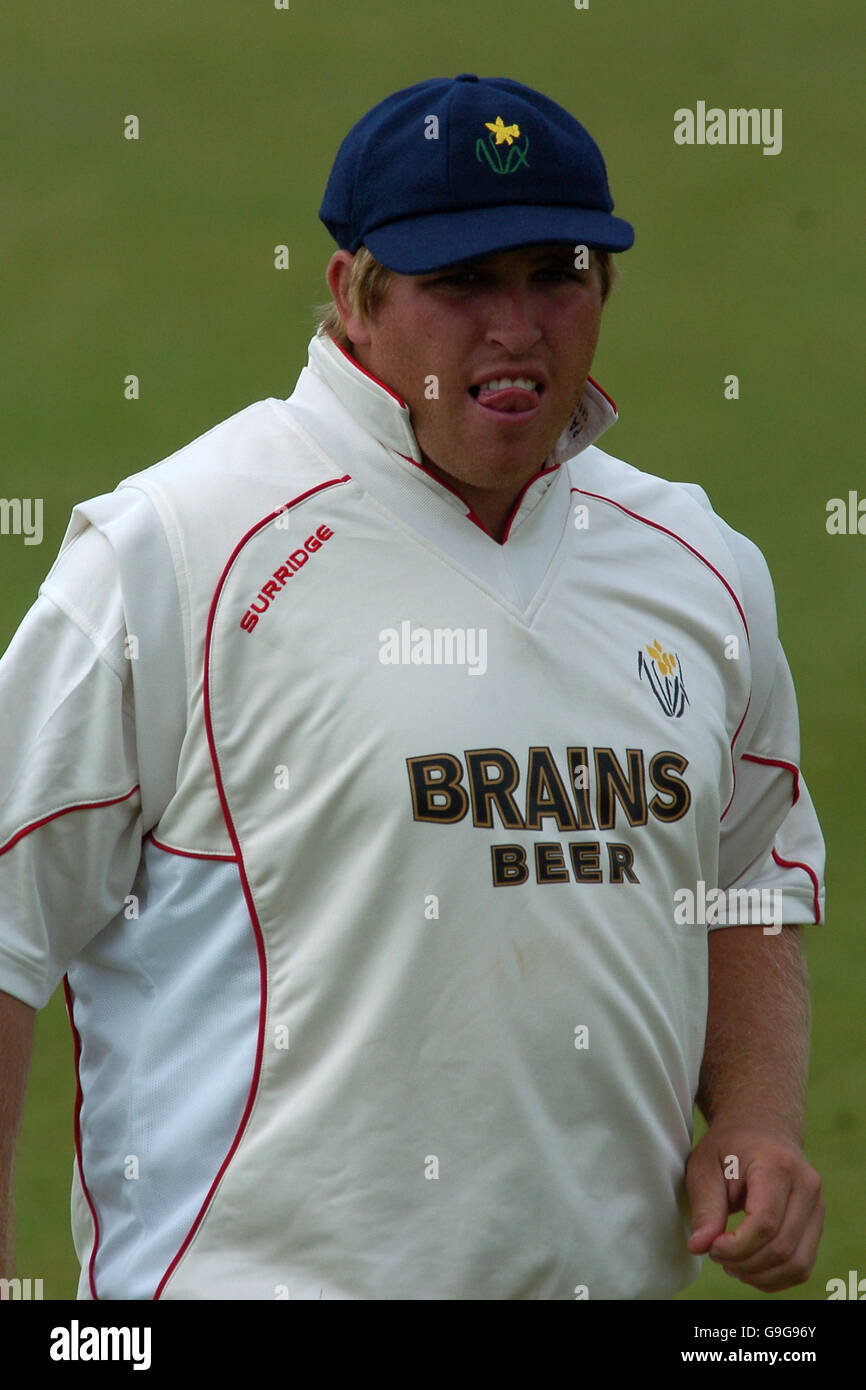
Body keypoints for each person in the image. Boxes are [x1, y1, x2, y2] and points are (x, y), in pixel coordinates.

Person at [0, 74, 825, 1301]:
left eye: (556, 273)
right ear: (353, 295)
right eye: (460, 282)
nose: (516, 326)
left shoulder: (696, 569)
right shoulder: (173, 553)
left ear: (605, 287)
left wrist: (755, 1118)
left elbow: (748, 869)